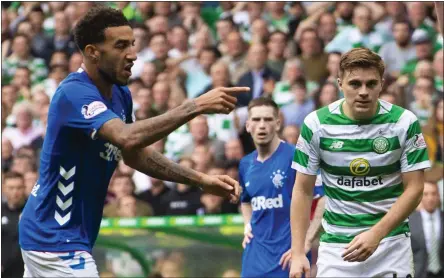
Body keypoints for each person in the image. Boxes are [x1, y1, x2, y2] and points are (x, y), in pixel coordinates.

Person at [18, 6, 248, 277]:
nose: (132, 54)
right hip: (55, 237)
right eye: (120, 46)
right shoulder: (73, 93)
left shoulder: (120, 94)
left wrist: (201, 180)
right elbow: (127, 135)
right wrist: (194, 106)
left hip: (56, 234)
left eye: (133, 44)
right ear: (93, 52)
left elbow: (133, 152)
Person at [289, 47, 431, 278]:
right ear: (340, 83)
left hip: (391, 244)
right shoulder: (315, 124)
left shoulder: (405, 122)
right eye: (355, 84)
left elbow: (415, 189)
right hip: (337, 248)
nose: (363, 92)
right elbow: (303, 191)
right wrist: (297, 253)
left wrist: (376, 234)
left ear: (382, 84)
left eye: (371, 84)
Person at [239, 97, 324, 277]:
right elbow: (245, 201)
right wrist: (247, 226)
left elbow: (324, 198)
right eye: (256, 119)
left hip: (288, 259)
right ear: (248, 125)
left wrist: (305, 244)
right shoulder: (245, 164)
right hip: (253, 259)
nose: (262, 125)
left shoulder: (296, 156)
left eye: (268, 119)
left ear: (278, 124)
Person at [410, 182, 444, 278]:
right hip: (419, 273)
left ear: (438, 195)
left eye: (433, 193)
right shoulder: (411, 221)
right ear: (421, 197)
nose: (430, 198)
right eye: (426, 194)